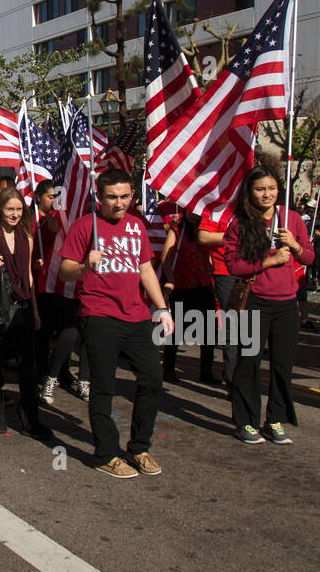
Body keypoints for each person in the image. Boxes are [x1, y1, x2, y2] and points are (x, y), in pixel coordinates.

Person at [60, 170, 173, 478]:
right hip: (99, 315)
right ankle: (106, 453)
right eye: (112, 197)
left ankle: (139, 448)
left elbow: (146, 270)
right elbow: (65, 271)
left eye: (125, 196)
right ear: (99, 197)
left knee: (152, 379)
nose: (119, 203)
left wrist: (161, 308)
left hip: (136, 315)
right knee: (104, 386)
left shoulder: (137, 225)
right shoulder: (85, 226)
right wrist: (85, 265)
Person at [223, 166, 314, 445]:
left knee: (282, 366)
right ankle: (245, 421)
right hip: (255, 303)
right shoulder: (240, 223)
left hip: (287, 305)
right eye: (261, 189)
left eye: (272, 188)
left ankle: (274, 420)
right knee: (248, 363)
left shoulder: (292, 219)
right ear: (250, 191)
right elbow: (233, 264)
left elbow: (309, 257)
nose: (267, 194)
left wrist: (295, 247)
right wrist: (269, 261)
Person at [0, 188, 51, 438]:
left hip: (22, 305)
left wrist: (34, 309)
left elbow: (28, 276)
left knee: (28, 366)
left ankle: (30, 420)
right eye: (10, 209)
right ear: (0, 210)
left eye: (18, 209)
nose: (14, 214)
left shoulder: (27, 235)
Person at [31, 180, 89, 405]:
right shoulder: (45, 219)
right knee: (47, 331)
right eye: (49, 196)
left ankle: (71, 376)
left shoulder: (79, 217)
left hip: (76, 283)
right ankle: (45, 373)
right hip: (48, 281)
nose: (53, 201)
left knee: (77, 330)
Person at [160, 210, 218, 384]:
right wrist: (169, 279)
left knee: (208, 332)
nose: (194, 213)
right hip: (182, 283)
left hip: (204, 283)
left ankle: (206, 371)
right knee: (176, 329)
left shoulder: (207, 229)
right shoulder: (177, 229)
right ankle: (168, 369)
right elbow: (166, 256)